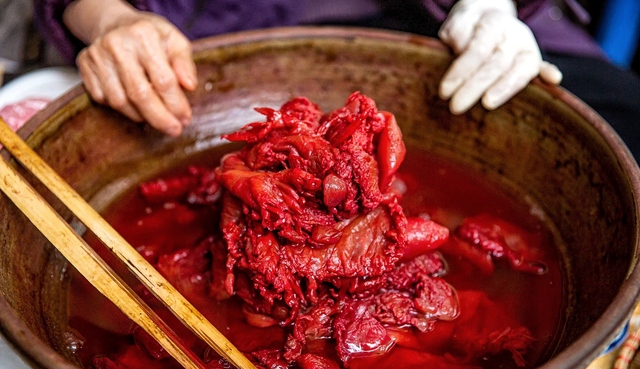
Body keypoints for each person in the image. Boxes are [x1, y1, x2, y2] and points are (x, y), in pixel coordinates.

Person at [33, 0, 640, 158]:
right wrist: (112, 19)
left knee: (620, 115)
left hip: (429, 22)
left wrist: (490, 10)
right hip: (210, 40)